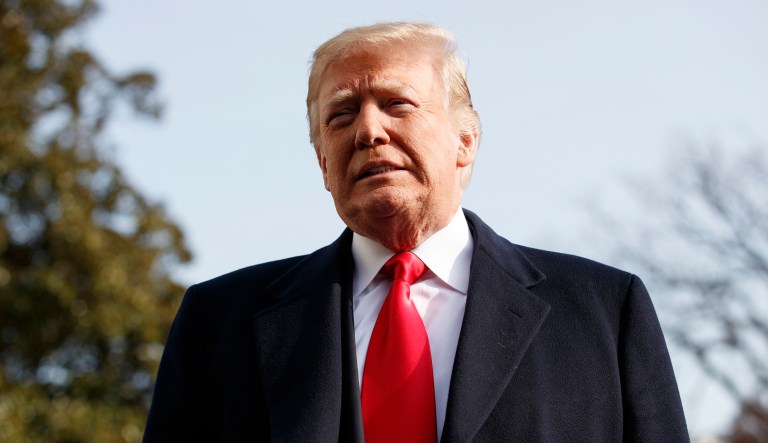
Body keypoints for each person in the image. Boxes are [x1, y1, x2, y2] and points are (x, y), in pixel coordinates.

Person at [143, 22, 689, 442]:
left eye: (397, 104)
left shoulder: (604, 312)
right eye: (341, 116)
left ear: (466, 140)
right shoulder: (217, 324)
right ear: (323, 165)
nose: (368, 130)